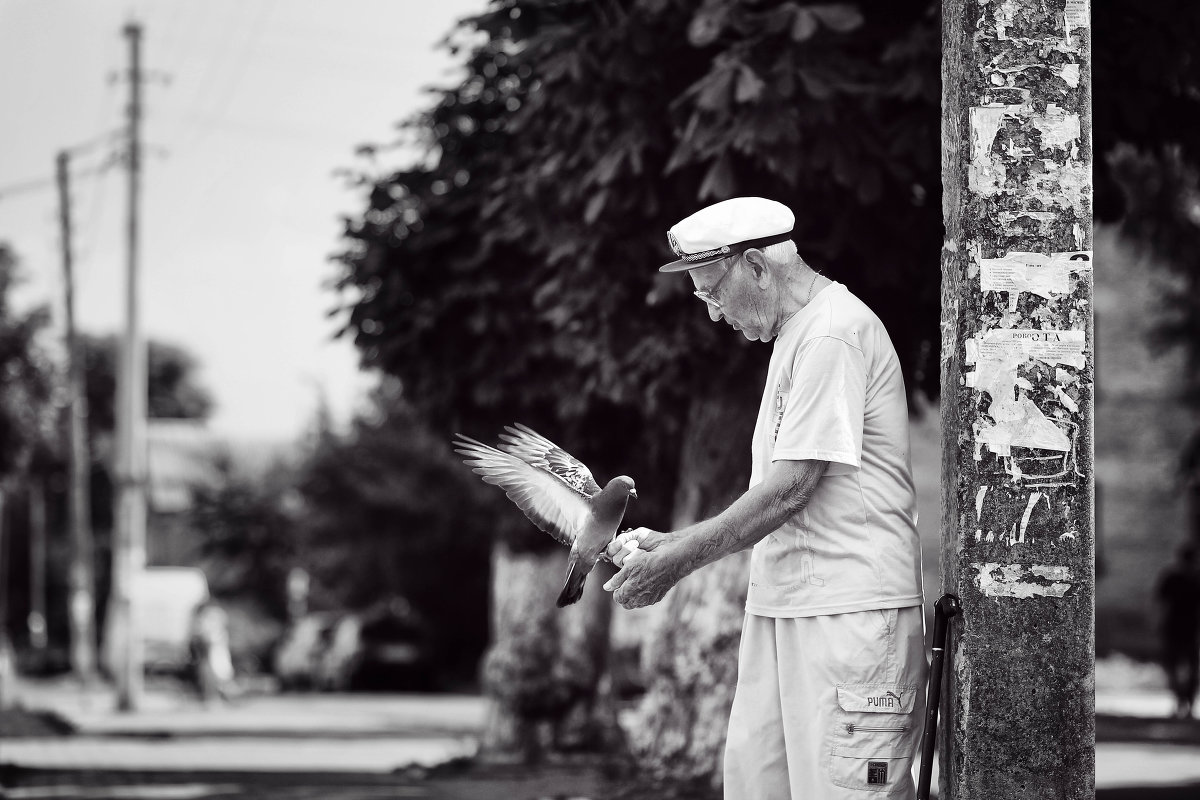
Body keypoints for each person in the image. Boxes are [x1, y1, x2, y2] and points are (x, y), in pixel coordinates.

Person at [603, 197, 927, 799]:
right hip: (788, 608)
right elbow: (778, 492)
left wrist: (679, 561)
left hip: (848, 615)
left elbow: (791, 489)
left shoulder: (834, 332)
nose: (713, 314)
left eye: (712, 293)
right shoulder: (798, 333)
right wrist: (671, 543)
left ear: (756, 266)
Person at [1155, 541, 1200, 719]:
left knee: (1173, 666)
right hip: (1189, 628)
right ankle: (1186, 703)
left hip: (1175, 627)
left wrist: (1157, 623)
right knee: (1188, 667)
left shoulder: (1173, 578)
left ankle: (1181, 701)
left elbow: (1160, 603)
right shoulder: (1194, 578)